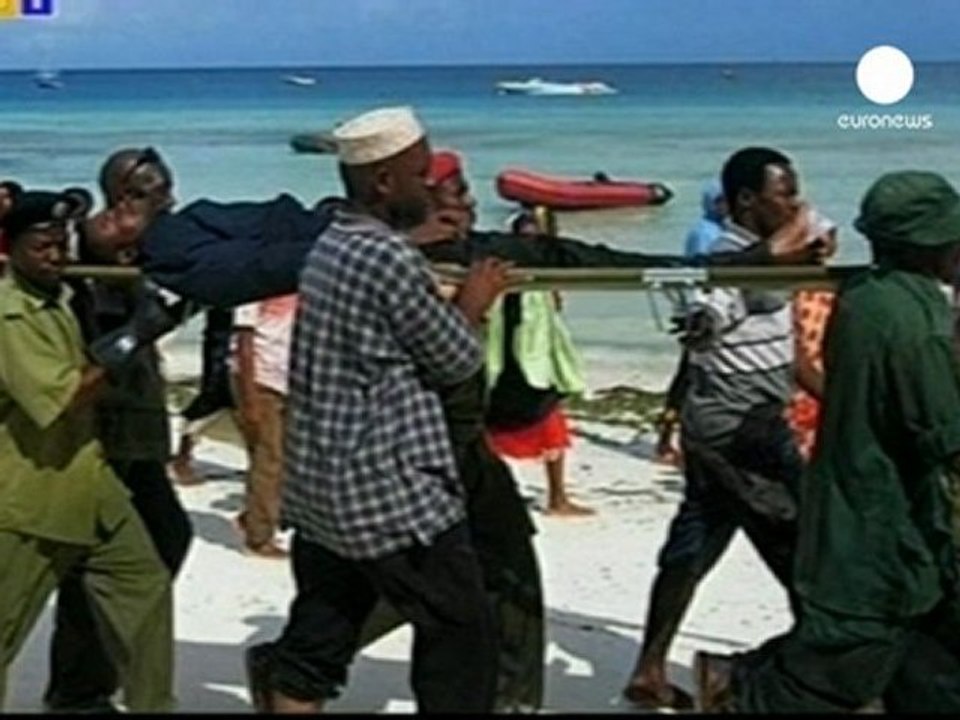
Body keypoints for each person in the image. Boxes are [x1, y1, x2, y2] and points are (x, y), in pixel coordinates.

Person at [246, 106, 507, 713]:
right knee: (463, 637)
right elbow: (455, 360)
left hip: (322, 489)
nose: (430, 185)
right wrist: (474, 300)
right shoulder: (388, 259)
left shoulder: (330, 244)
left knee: (320, 638)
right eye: (421, 175)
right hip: (388, 493)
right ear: (385, 183)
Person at [696, 170, 960, 713]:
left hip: (855, 503)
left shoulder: (866, 293)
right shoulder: (916, 328)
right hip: (885, 529)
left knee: (923, 659)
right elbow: (941, 433)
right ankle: (735, 689)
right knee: (839, 669)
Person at [622, 147, 811, 711]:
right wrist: (701, 324)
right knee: (804, 554)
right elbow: (709, 313)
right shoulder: (724, 259)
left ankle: (649, 670)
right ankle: (744, 679)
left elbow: (783, 337)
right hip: (742, 432)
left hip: (731, 423)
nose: (795, 200)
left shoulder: (777, 253)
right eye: (784, 191)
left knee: (694, 545)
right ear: (748, 200)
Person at [0, 190, 175, 713]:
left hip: (90, 485)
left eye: (60, 246)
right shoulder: (9, 316)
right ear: (12, 250)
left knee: (145, 587)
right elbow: (66, 396)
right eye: (41, 248)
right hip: (31, 499)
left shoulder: (55, 299)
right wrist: (134, 337)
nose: (55, 258)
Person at [41, 150, 195, 713]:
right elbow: (77, 363)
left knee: (164, 539)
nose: (169, 204)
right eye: (159, 195)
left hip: (136, 434)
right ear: (126, 198)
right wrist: (141, 325)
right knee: (101, 565)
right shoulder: (69, 260)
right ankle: (79, 690)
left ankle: (86, 681)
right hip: (93, 438)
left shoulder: (139, 250)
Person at [486, 209, 594, 517]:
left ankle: (556, 497)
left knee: (548, 424)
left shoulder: (529, 272)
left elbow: (554, 313)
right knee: (500, 427)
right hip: (508, 356)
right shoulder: (514, 273)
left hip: (531, 357)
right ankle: (547, 497)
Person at [655, 178, 729, 466]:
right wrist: (694, 314)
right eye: (721, 201)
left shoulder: (720, 230)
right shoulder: (705, 233)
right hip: (700, 314)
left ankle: (668, 437)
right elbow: (699, 277)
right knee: (690, 379)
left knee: (687, 377)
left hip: (711, 313)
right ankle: (671, 439)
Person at [231, 292, 298, 558]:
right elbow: (244, 343)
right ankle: (258, 537)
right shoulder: (253, 288)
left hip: (288, 379)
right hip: (261, 379)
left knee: (279, 457)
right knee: (268, 459)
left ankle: (254, 515)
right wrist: (249, 398)